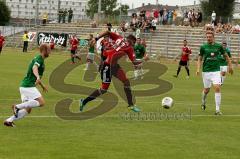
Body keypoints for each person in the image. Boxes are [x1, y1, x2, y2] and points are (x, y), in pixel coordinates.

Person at [80, 31, 141, 112]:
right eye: (134, 43)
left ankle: (131, 105)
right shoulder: (129, 47)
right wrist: (144, 60)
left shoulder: (119, 37)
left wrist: (96, 38)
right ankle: (84, 101)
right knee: (104, 89)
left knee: (126, 82)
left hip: (112, 65)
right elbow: (135, 63)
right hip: (108, 66)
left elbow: (108, 32)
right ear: (132, 41)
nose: (134, 45)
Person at [4, 44, 51, 127]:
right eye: (49, 50)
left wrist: (42, 85)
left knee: (27, 110)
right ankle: (17, 107)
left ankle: (9, 120)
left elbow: (37, 76)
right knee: (42, 102)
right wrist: (37, 76)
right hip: (28, 86)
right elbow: (34, 68)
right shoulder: (39, 59)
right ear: (44, 50)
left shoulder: (40, 60)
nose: (50, 51)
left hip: (24, 86)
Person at [196, 31, 233, 115]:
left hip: (216, 71)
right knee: (206, 90)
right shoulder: (203, 47)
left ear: (213, 37)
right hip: (206, 71)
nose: (208, 38)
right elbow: (199, 59)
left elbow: (226, 56)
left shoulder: (219, 46)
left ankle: (217, 110)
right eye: (207, 37)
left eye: (210, 37)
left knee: (217, 88)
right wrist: (198, 69)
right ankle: (203, 101)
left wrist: (230, 66)